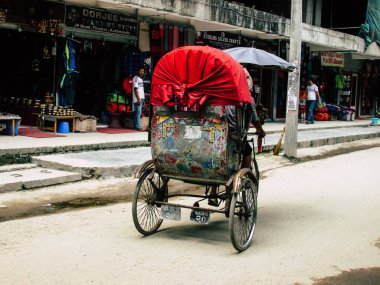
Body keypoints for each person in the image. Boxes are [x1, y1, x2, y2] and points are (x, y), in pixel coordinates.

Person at [208, 103, 266, 207]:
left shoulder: (222, 95)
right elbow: (255, 120)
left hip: (217, 136)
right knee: (247, 151)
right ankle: (242, 177)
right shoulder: (247, 99)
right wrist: (261, 131)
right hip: (235, 139)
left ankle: (213, 192)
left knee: (217, 160)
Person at [132, 66, 146, 131]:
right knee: (138, 112)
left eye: (143, 71)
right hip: (138, 98)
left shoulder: (141, 79)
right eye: (140, 71)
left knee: (138, 112)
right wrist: (138, 98)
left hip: (141, 98)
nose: (142, 72)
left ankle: (136, 125)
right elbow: (135, 89)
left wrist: (142, 98)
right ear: (138, 71)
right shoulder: (136, 78)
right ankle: (138, 126)